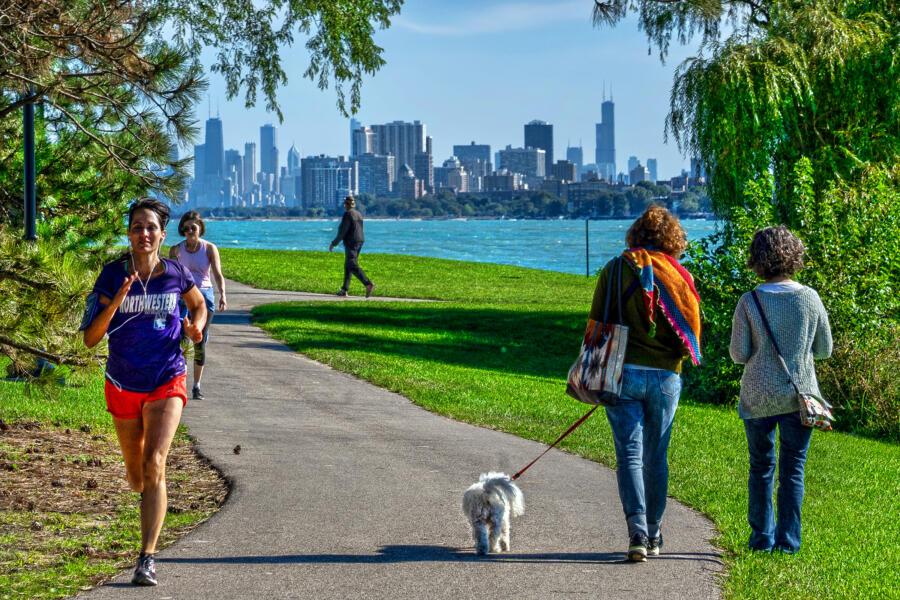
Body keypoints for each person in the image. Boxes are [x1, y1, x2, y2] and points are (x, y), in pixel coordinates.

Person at [81, 197, 207, 586]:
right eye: (137, 227)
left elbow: (198, 304)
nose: (144, 233)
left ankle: (146, 558)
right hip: (122, 382)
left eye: (150, 227)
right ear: (129, 233)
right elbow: (90, 339)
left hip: (167, 378)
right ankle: (147, 495)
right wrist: (115, 301)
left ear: (161, 234)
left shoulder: (175, 273)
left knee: (155, 462)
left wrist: (195, 327)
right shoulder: (111, 275)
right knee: (137, 477)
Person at [588, 205, 702, 562]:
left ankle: (636, 532)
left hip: (623, 372)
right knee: (657, 456)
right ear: (673, 240)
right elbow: (691, 330)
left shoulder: (615, 268)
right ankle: (654, 532)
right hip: (667, 376)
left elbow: (597, 321)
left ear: (636, 234)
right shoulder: (680, 276)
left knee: (629, 456)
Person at [729, 225, 832, 554]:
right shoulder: (810, 298)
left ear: (756, 259)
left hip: (758, 395)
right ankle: (788, 543)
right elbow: (824, 349)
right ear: (794, 255)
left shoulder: (750, 300)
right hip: (800, 395)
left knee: (761, 467)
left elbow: (738, 354)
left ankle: (761, 540)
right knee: (793, 469)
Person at [169, 211, 227, 400]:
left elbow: (217, 274)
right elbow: (170, 277)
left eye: (193, 228)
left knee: (199, 341)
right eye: (186, 228)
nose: (190, 231)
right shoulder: (176, 250)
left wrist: (223, 295)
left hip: (205, 296)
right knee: (181, 340)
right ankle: (181, 383)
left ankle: (196, 385)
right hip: (183, 296)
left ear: (200, 228)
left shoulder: (209, 248)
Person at [329, 195, 375, 298]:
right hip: (360, 241)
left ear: (347, 204)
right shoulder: (358, 214)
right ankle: (344, 290)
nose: (344, 205)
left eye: (345, 204)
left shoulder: (348, 214)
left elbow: (343, 232)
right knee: (348, 265)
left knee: (352, 264)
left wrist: (333, 243)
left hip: (351, 242)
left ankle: (368, 284)